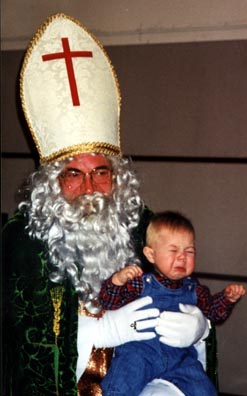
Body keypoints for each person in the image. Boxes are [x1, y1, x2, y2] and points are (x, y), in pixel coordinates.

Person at [3, 14, 210, 396]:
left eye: (101, 172)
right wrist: (103, 330)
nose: (91, 189)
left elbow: (181, 281)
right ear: (51, 183)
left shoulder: (140, 223)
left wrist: (199, 327)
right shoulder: (21, 240)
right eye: (73, 175)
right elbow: (27, 345)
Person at [100, 211, 246, 396]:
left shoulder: (194, 288)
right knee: (119, 388)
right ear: (151, 254)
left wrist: (227, 299)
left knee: (204, 390)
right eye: (173, 250)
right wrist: (117, 282)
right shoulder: (139, 282)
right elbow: (108, 302)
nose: (182, 257)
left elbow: (214, 312)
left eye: (189, 251)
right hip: (140, 353)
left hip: (180, 358)